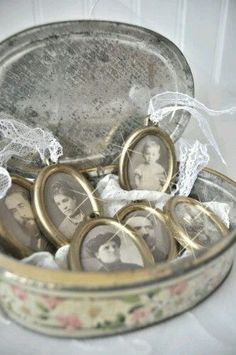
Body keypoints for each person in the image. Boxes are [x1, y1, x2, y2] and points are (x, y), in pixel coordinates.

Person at [4, 186, 47, 250]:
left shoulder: (56, 227)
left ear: (31, 203)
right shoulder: (29, 246)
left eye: (21, 206)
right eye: (14, 211)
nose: (21, 214)